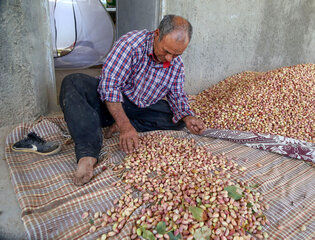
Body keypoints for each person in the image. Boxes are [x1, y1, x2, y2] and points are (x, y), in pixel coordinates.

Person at [59, 15, 206, 186]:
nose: (169, 59)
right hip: (109, 102)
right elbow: (110, 86)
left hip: (139, 107)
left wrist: (188, 117)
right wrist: (124, 125)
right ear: (156, 34)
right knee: (73, 83)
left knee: (176, 119)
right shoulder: (131, 44)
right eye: (166, 51)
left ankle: (124, 124)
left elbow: (177, 95)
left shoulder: (176, 64)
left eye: (176, 54)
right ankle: (88, 153)